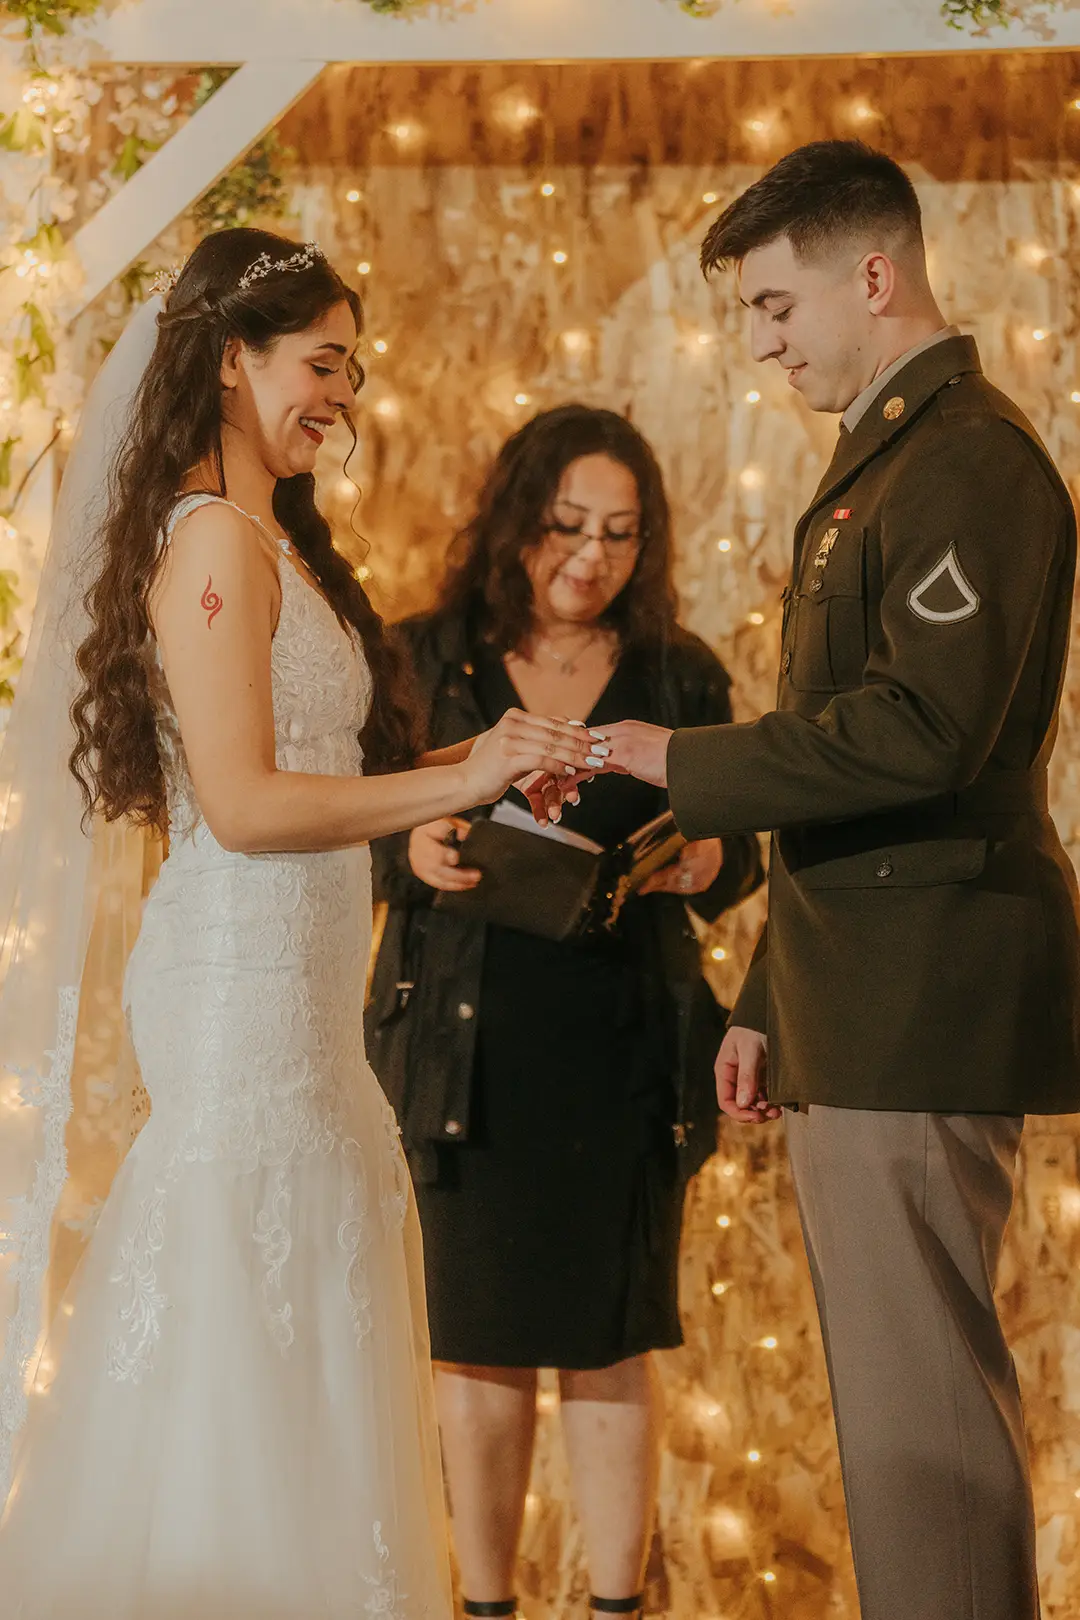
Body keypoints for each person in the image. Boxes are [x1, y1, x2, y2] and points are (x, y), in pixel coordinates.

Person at [0, 228, 597, 1618]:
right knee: (238, 1321)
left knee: (311, 1301)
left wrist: (463, 782)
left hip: (308, 1009)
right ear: (230, 361)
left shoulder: (273, 538)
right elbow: (248, 805)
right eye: (321, 363)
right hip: (239, 997)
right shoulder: (210, 540)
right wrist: (459, 777)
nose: (343, 393)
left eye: (351, 369)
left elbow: (321, 778)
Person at [594, 142, 1080, 1620]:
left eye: (773, 305)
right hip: (859, 1001)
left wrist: (678, 762)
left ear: (874, 275)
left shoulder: (968, 459)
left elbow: (923, 733)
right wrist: (766, 999)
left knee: (926, 1440)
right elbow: (844, 769)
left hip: (918, 1005)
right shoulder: (893, 454)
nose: (761, 343)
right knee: (898, 1428)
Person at [366, 405, 763, 1620]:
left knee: (610, 1342)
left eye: (620, 534)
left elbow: (738, 848)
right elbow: (342, 826)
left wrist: (713, 862)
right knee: (475, 1345)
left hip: (624, 1053)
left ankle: (614, 1607)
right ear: (515, 519)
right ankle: (484, 1606)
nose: (591, 557)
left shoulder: (680, 671)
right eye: (567, 525)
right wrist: (407, 846)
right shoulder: (423, 656)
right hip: (461, 1059)